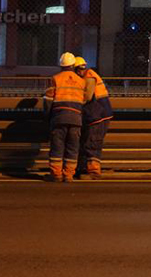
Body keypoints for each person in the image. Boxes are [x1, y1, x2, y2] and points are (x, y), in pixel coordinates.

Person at [43, 52, 93, 182]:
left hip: (59, 118)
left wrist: (47, 117)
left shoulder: (55, 79)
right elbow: (83, 101)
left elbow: (48, 101)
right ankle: (69, 175)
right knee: (72, 148)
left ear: (61, 65)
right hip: (76, 119)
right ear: (73, 65)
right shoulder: (81, 82)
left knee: (57, 148)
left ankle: (56, 174)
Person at [74, 56, 113, 179]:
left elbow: (88, 97)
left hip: (98, 115)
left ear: (77, 69)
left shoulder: (89, 77)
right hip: (97, 114)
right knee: (88, 141)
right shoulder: (88, 75)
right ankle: (85, 168)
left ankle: (93, 172)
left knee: (92, 143)